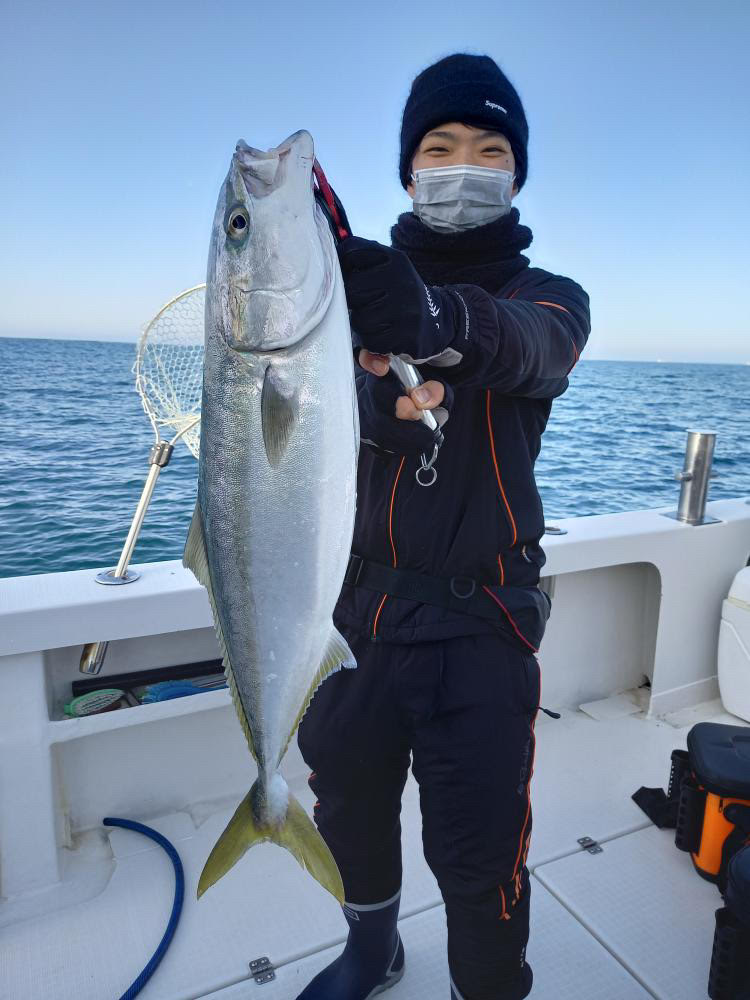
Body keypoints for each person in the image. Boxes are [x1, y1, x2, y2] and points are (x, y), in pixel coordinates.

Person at [297, 52, 591, 1000]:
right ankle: (371, 946)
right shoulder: (336, 298)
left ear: (516, 173)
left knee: (479, 842)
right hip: (352, 617)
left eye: (489, 149)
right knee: (347, 806)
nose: (463, 164)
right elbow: (310, 417)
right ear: (408, 168)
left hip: (482, 624)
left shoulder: (550, 297)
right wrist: (374, 400)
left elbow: (529, 351)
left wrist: (426, 313)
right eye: (439, 145)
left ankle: (489, 986)